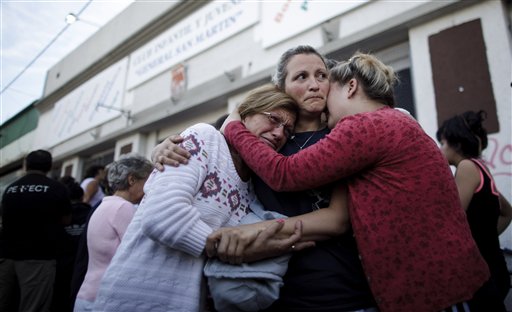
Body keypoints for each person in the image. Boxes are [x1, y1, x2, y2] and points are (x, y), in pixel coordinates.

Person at [210, 52, 491, 312]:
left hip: (424, 290)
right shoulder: (391, 122)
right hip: (444, 282)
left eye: (325, 81)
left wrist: (234, 124)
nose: (318, 88)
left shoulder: (363, 126)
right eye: (301, 77)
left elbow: (286, 174)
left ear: (352, 88)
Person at [152, 45, 377, 312]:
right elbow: (217, 139)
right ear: (281, 87)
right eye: (301, 77)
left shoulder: (341, 137)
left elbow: (338, 219)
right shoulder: (265, 140)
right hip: (271, 292)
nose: (315, 85)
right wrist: (161, 149)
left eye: (321, 75)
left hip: (340, 290)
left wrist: (247, 235)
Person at [91, 84, 313, 311]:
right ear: (245, 115)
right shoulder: (206, 138)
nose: (279, 133)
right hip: (134, 297)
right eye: (274, 119)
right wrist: (229, 248)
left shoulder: (254, 185)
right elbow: (160, 215)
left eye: (287, 130)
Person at [437, 110, 512, 311]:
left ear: (457, 144)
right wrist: (486, 235)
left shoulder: (467, 167)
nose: (440, 149)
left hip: (483, 274)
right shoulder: (481, 167)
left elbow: (452, 219)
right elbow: (507, 211)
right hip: (496, 268)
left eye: (443, 143)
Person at [74, 154, 153, 311]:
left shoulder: (103, 205)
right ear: (132, 180)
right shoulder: (124, 208)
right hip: (105, 297)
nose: (150, 187)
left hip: (87, 293)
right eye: (148, 181)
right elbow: (139, 252)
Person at [0, 149, 72, 312]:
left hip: (6, 255)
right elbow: (66, 220)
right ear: (50, 166)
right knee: (33, 306)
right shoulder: (57, 188)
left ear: (26, 165)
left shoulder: (10, 189)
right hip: (39, 258)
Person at [52, 176, 92, 312]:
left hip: (61, 266)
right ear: (82, 197)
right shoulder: (92, 213)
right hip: (85, 268)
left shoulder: (56, 216)